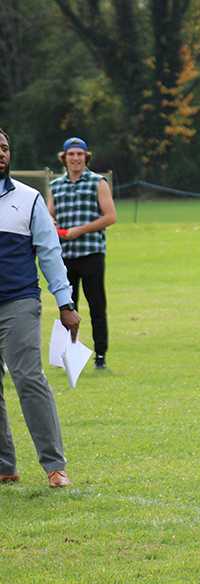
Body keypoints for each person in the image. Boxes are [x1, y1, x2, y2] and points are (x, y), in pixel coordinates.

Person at [0, 128, 79, 488]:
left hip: (18, 301)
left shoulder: (29, 199)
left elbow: (50, 253)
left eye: (4, 148)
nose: (1, 153)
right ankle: (5, 466)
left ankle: (54, 466)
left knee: (28, 378)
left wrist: (65, 302)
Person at [46, 137, 116, 369]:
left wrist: (81, 230)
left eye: (79, 154)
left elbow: (110, 216)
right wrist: (53, 225)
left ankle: (100, 355)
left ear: (86, 157)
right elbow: (49, 217)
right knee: (68, 305)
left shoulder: (98, 182)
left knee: (97, 305)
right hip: (65, 255)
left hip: (91, 252)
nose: (75, 158)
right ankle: (68, 353)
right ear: (64, 158)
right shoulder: (56, 186)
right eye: (71, 154)